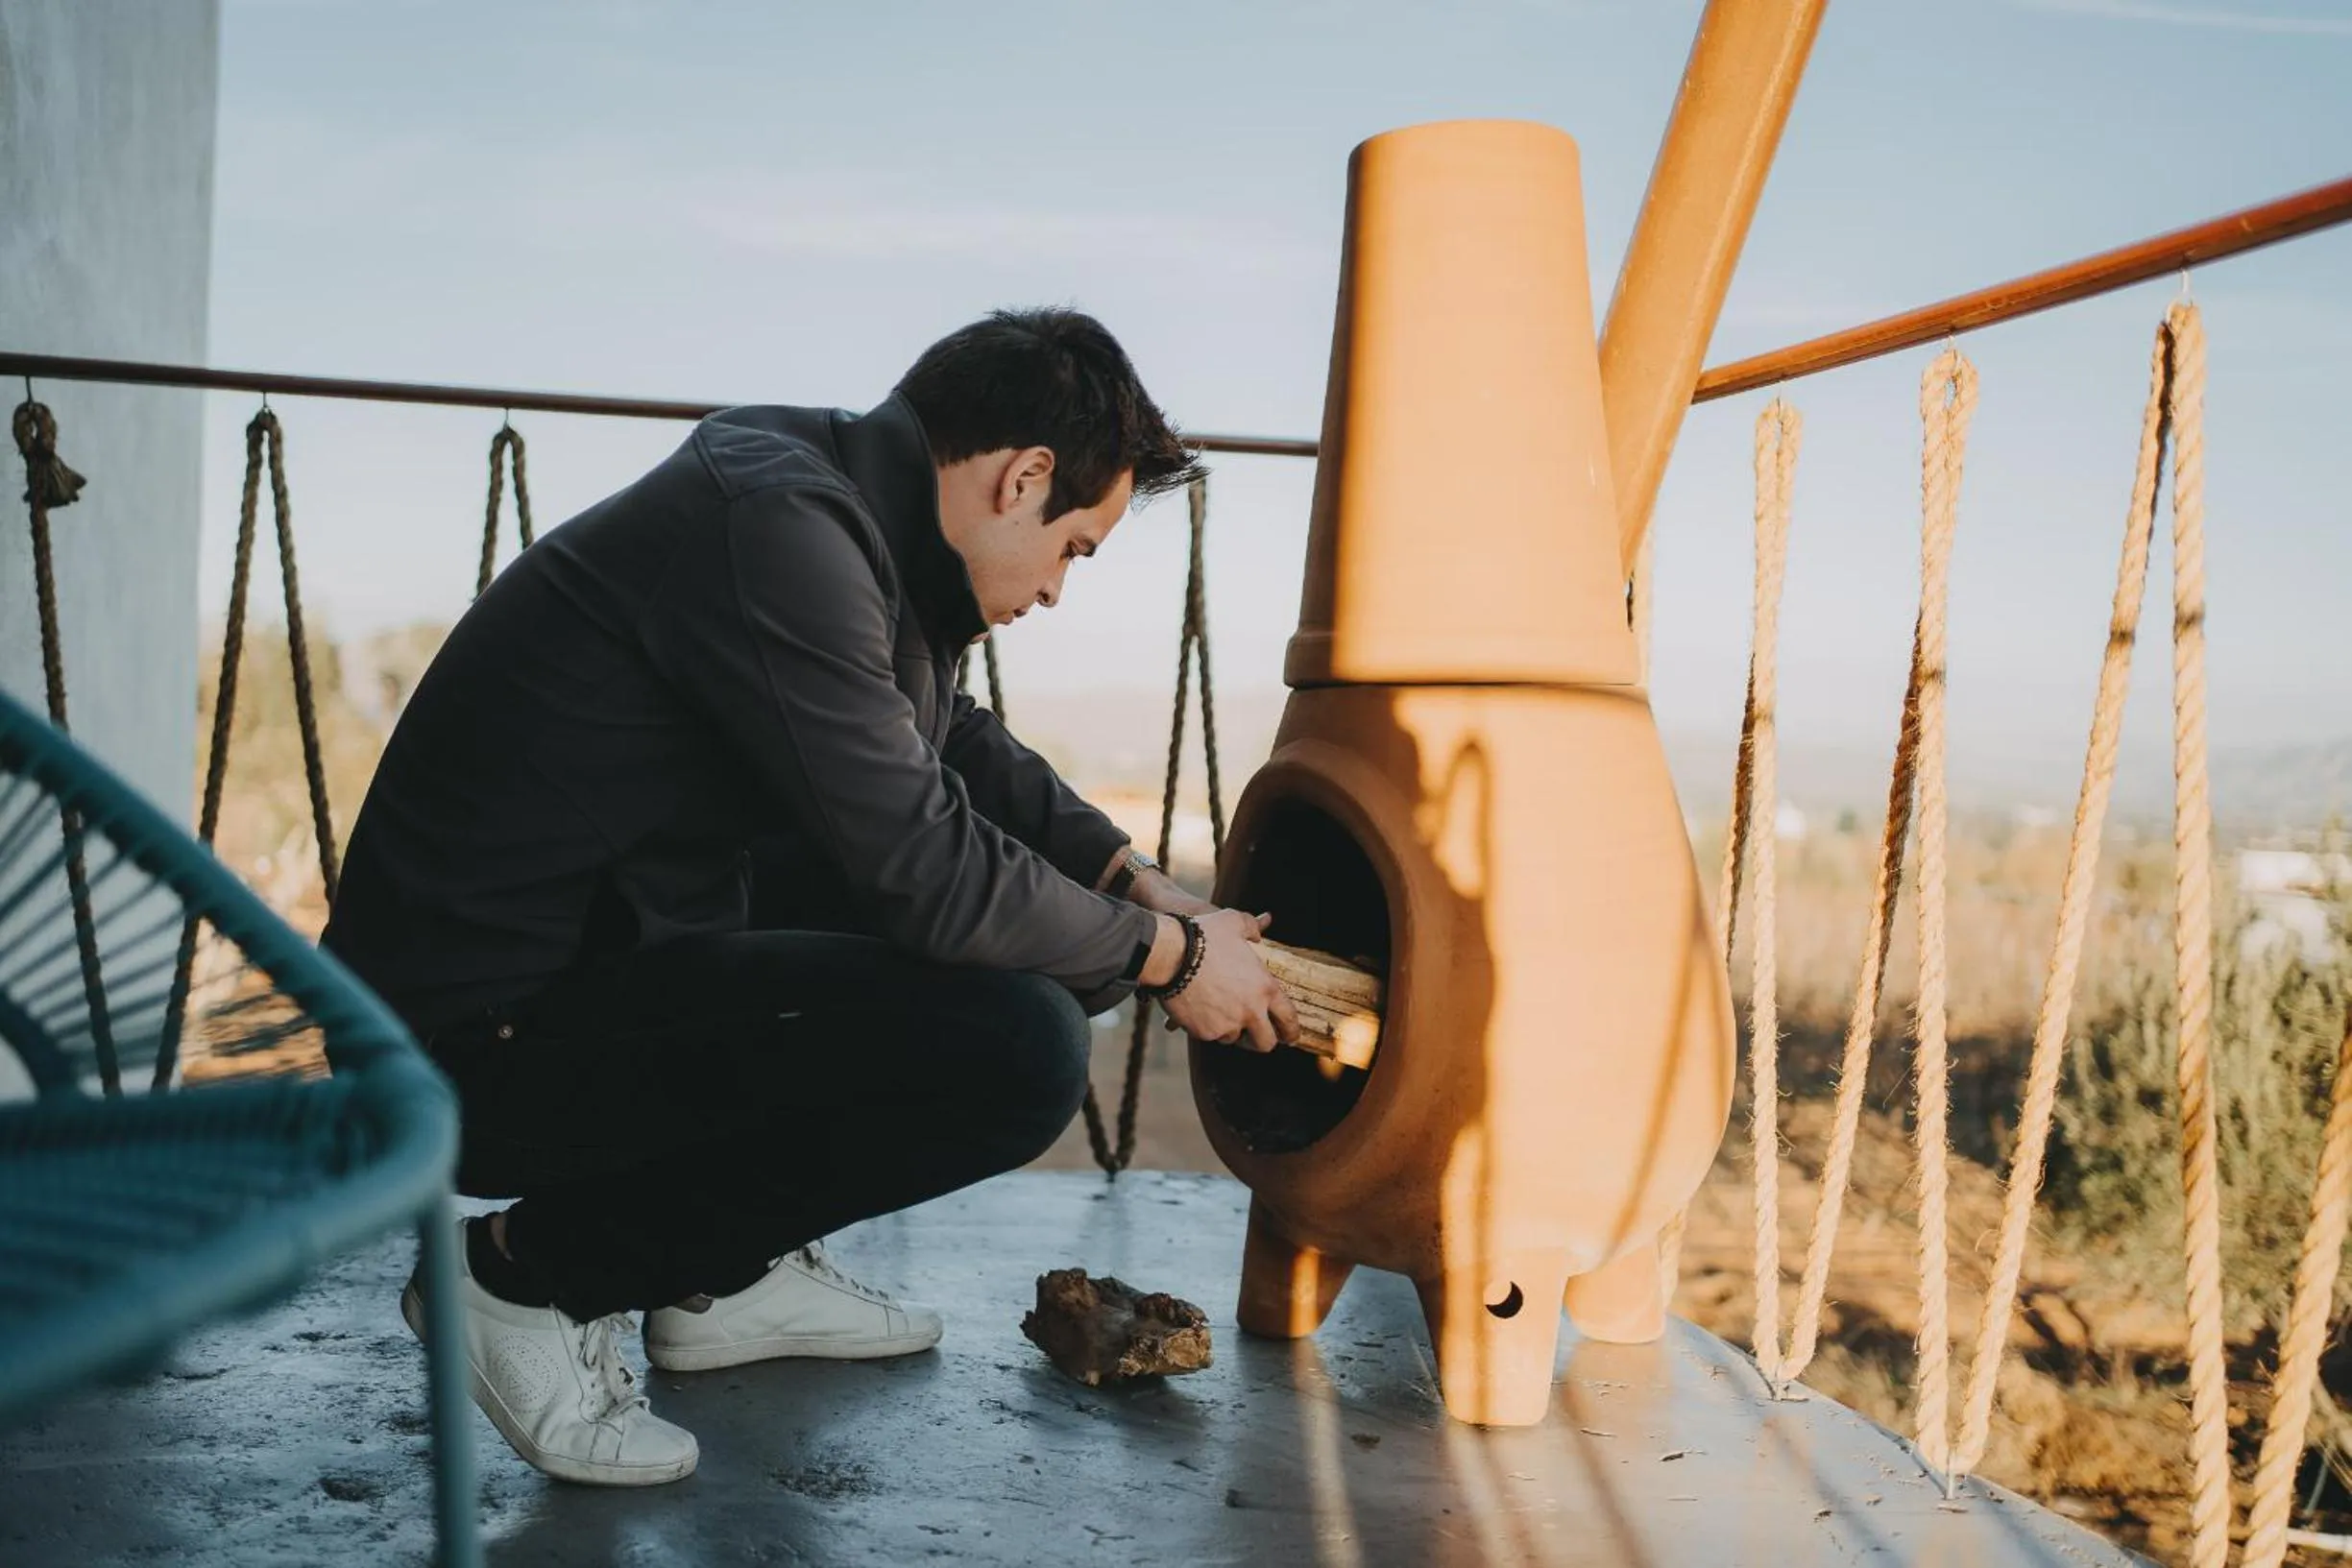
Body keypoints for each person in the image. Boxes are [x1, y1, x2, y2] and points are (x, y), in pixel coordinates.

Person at [322, 308, 1299, 1486]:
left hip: (589, 946)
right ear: (1023, 478)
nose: (1054, 591)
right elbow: (927, 870)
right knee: (1017, 1044)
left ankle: (718, 1272)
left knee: (1033, 950)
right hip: (463, 1044)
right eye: (1073, 549)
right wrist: (1172, 960)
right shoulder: (779, 524)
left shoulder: (840, 505)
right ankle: (527, 1276)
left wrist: (1141, 890)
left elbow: (957, 741)